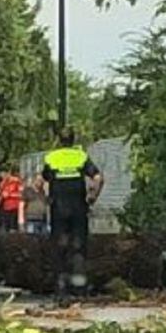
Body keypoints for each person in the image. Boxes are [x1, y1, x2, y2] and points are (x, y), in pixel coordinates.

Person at [42, 128, 104, 299]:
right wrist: (92, 197)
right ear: (73, 139)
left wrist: (47, 198)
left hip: (58, 209)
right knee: (79, 247)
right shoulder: (81, 156)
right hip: (78, 208)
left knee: (59, 247)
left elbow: (39, 182)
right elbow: (98, 178)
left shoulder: (51, 157)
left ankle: (60, 290)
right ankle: (79, 289)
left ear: (59, 140)